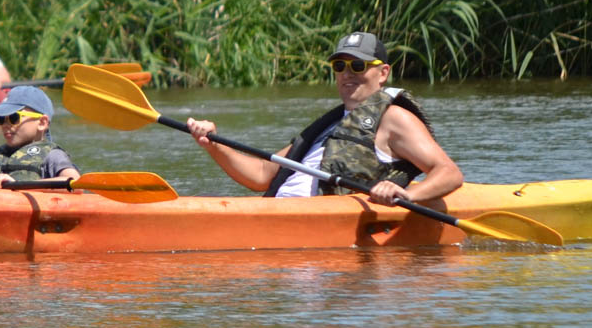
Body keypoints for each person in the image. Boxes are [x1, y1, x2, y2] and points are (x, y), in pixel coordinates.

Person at [183, 31, 464, 205]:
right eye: (340, 65)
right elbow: (261, 176)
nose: (347, 73)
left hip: (321, 222)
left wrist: (407, 195)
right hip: (283, 218)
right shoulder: (331, 124)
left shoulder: (394, 119)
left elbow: (449, 173)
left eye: (358, 65)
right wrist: (213, 144)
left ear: (383, 73)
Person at [0, 84, 81, 189]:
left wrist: (20, 185)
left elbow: (75, 182)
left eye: (13, 118)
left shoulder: (52, 155)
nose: (5, 125)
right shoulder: (0, 156)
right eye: (1, 119)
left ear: (42, 123)